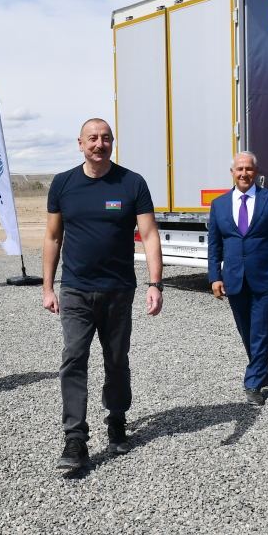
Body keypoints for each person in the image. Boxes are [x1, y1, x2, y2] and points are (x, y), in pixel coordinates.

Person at [42, 118, 163, 471]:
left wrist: (155, 283)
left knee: (116, 361)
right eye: (92, 138)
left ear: (113, 143)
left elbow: (150, 234)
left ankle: (117, 418)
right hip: (76, 289)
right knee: (74, 359)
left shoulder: (132, 183)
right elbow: (52, 238)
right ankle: (75, 438)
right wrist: (48, 287)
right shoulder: (63, 184)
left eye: (106, 138)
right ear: (80, 143)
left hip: (118, 290)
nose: (100, 143)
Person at [207, 151, 268, 407]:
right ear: (232, 172)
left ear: (256, 172)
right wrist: (215, 276)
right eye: (239, 169)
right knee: (246, 328)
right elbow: (214, 244)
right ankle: (262, 368)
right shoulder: (219, 204)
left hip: (266, 276)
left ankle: (253, 380)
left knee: (261, 328)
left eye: (249, 169)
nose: (244, 174)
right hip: (234, 278)